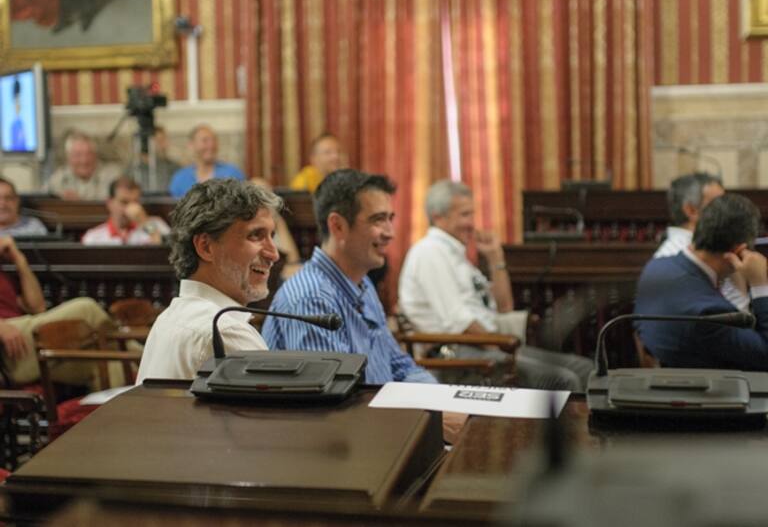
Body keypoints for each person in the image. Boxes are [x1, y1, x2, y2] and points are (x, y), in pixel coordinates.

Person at [263, 170, 466, 441]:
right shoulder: (311, 299)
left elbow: (398, 365)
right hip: (343, 449)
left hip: (379, 434)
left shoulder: (362, 282)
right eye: (378, 219)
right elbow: (335, 410)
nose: (390, 233)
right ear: (338, 226)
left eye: (390, 218)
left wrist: (443, 402)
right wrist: (430, 420)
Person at [399, 180, 593, 391]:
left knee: (585, 368)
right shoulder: (430, 252)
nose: (472, 223)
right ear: (438, 217)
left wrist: (495, 257)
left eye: (472, 214)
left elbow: (504, 307)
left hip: (484, 345)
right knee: (562, 380)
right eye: (465, 215)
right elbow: (460, 322)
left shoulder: (455, 255)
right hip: (457, 355)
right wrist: (501, 347)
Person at [136, 179, 282, 382]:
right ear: (205, 247)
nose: (274, 254)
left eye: (272, 235)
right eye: (256, 235)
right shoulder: (225, 332)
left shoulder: (169, 317)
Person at [635, 193, 768, 369]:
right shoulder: (709, 312)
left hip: (665, 373)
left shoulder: (657, 266)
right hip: (709, 383)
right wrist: (761, 286)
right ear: (739, 251)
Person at [0, 235, 112, 385]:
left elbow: (37, 307)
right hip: (7, 345)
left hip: (22, 337)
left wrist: (20, 262)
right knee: (87, 309)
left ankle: (137, 361)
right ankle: (140, 353)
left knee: (108, 365)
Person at [654, 172, 748, 311]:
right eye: (718, 205)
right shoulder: (675, 258)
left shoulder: (716, 247)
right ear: (691, 210)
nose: (728, 211)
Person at [81, 177, 170, 245]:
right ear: (110, 203)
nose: (131, 208)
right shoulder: (93, 237)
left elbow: (169, 252)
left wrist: (144, 222)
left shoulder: (157, 225)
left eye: (135, 202)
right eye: (124, 202)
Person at [168, 125, 245, 198]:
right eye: (205, 141)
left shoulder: (233, 174)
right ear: (191, 145)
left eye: (214, 140)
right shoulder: (180, 178)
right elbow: (173, 205)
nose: (211, 145)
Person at [45, 130, 122, 200]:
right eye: (78, 155)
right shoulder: (58, 178)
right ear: (68, 157)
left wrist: (79, 201)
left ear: (96, 155)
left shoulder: (113, 176)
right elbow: (42, 200)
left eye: (89, 154)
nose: (84, 160)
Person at [129, 125, 180, 192]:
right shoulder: (132, 170)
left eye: (165, 140)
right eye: (160, 141)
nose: (166, 144)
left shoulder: (174, 168)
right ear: (145, 144)